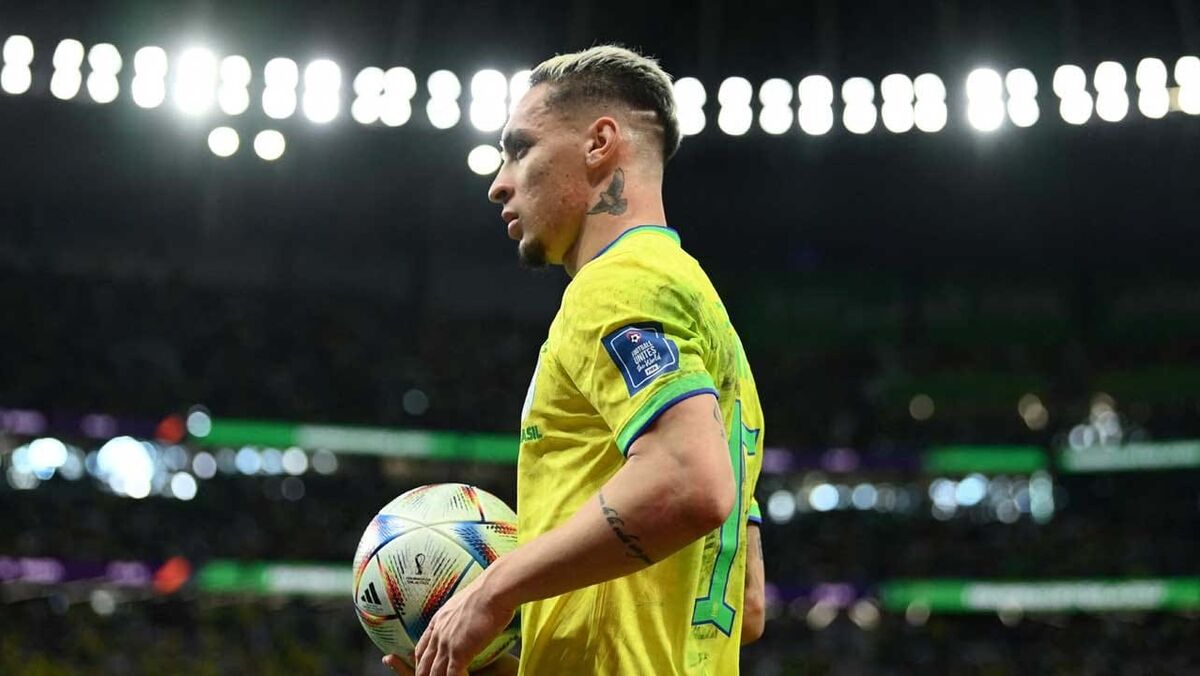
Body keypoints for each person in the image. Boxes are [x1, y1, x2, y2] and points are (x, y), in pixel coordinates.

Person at [386, 45, 765, 676]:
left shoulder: (618, 285)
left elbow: (690, 483)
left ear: (599, 144)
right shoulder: (713, 325)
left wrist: (493, 589)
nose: (498, 182)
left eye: (520, 149)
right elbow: (746, 607)